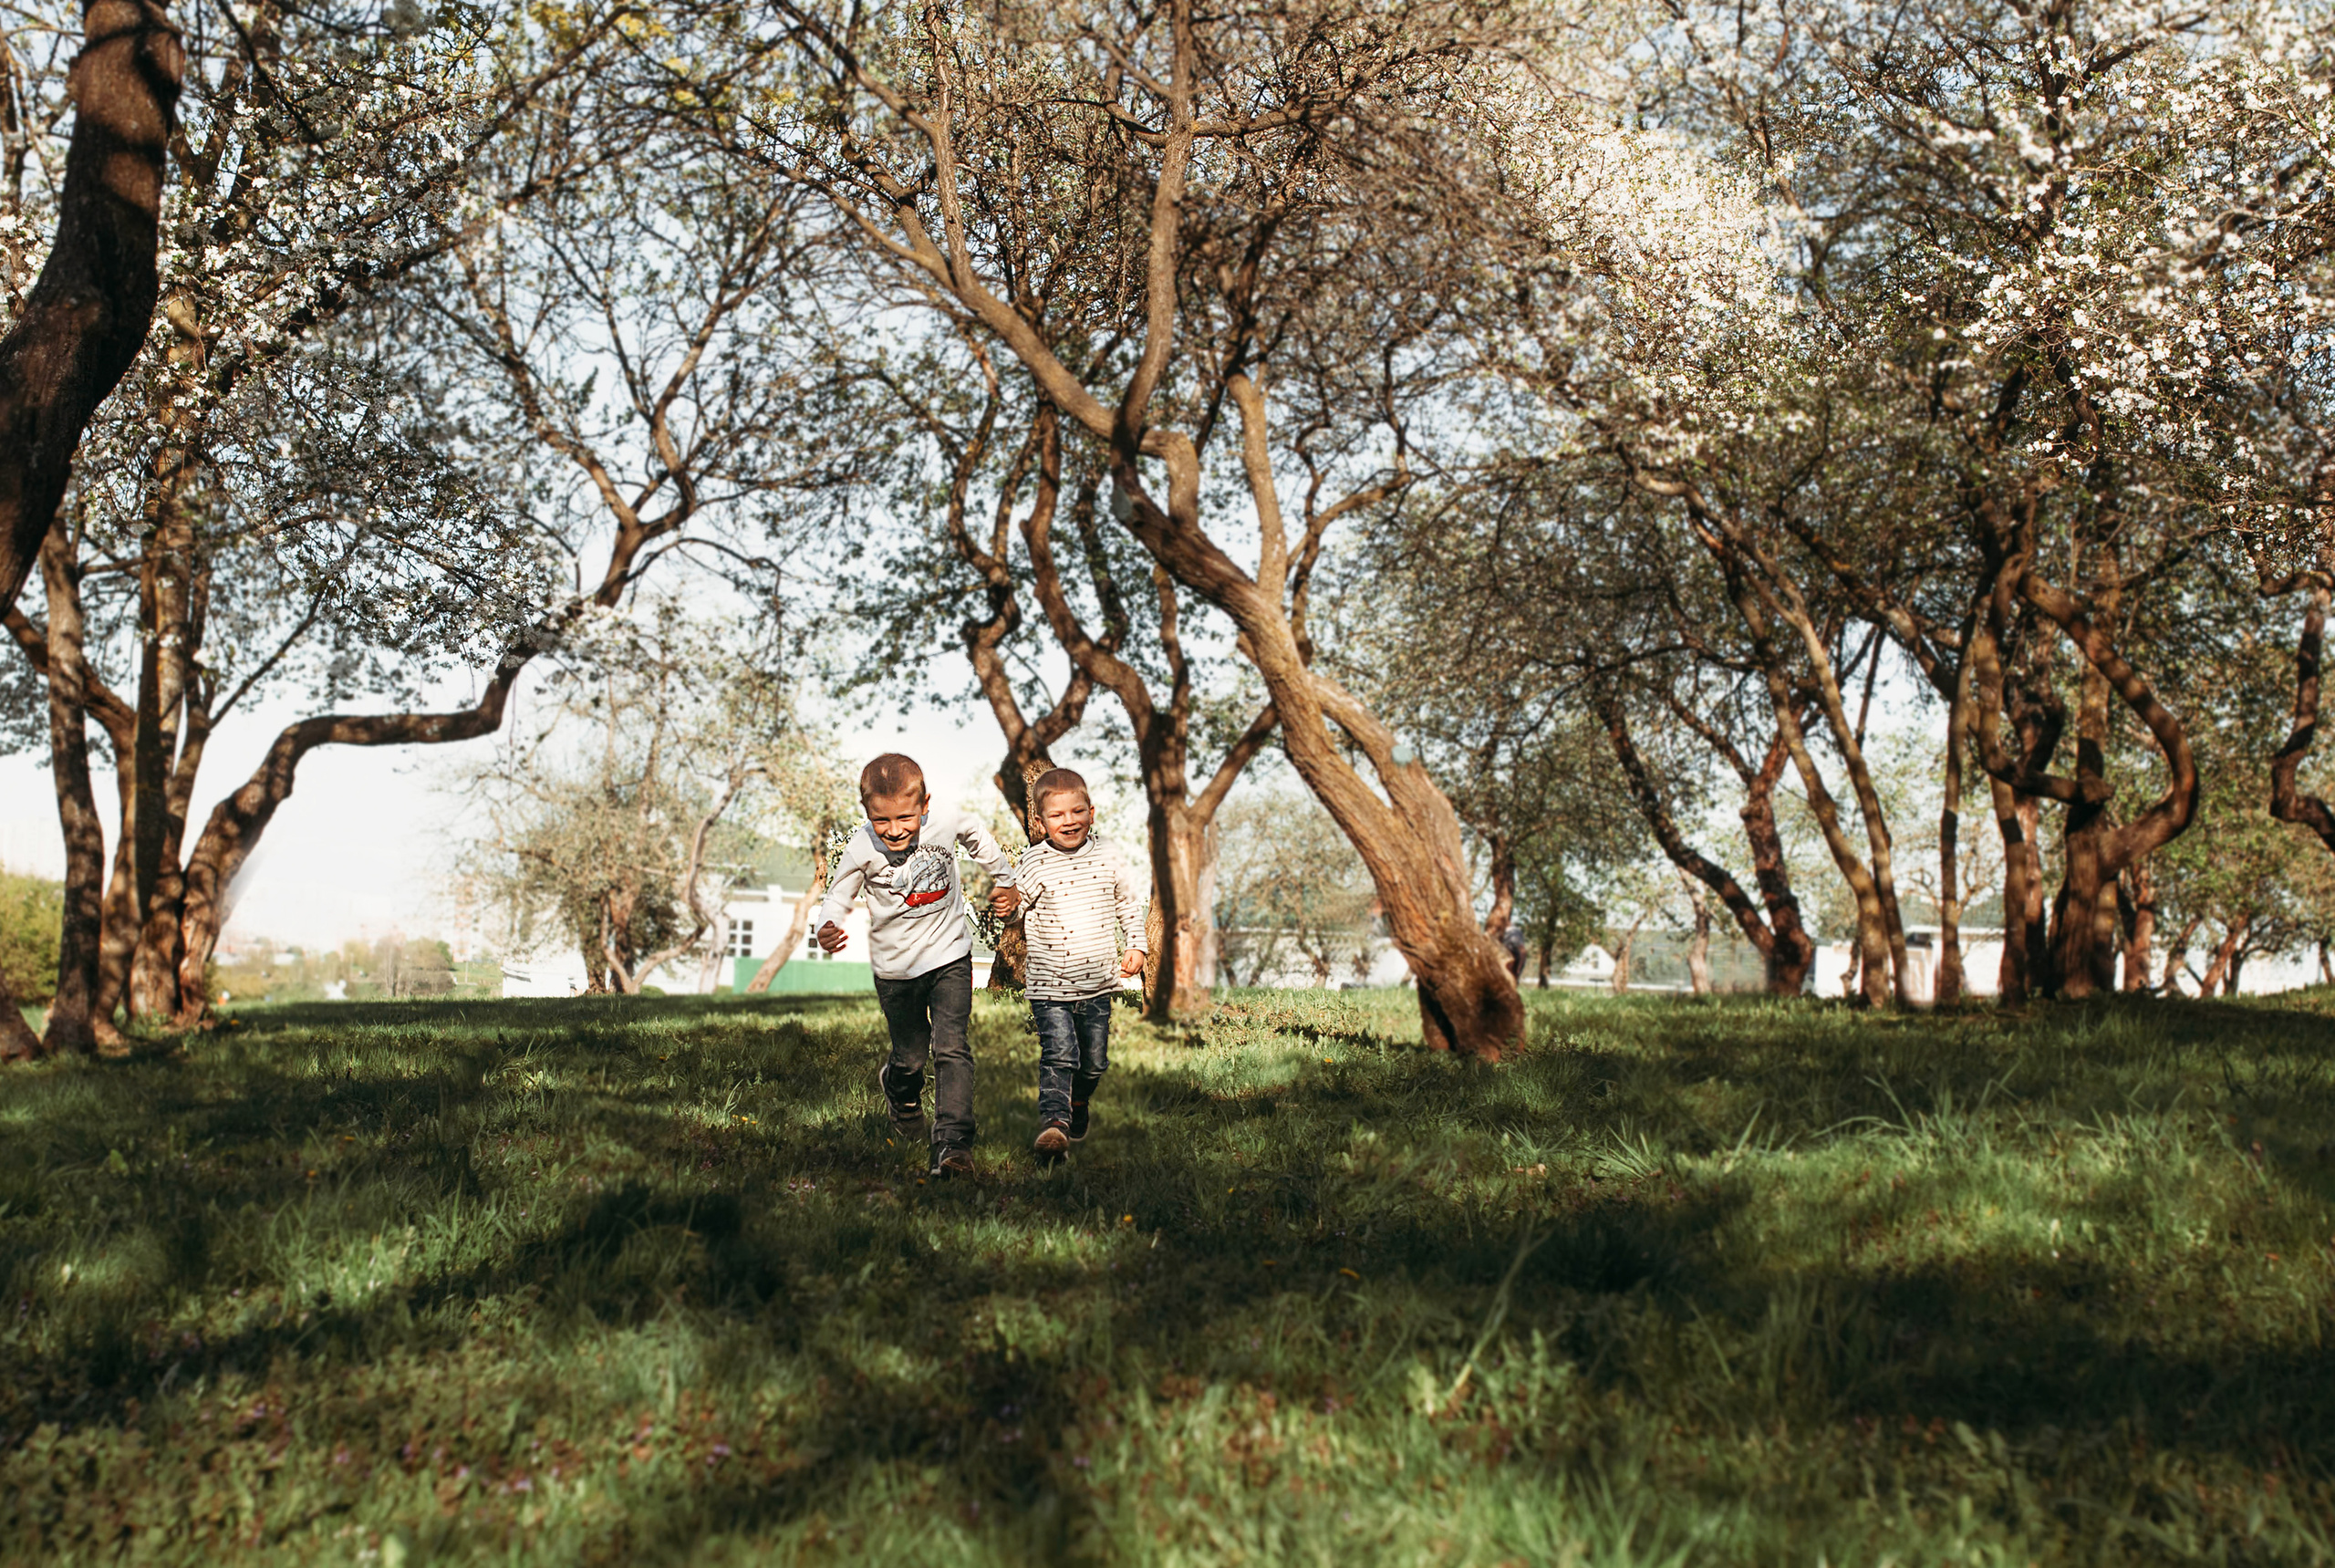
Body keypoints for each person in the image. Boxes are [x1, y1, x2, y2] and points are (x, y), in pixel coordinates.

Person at [815, 753, 1018, 1179]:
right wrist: (827, 925)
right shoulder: (861, 845)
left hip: (949, 957)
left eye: (905, 818)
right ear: (867, 811)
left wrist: (1004, 878)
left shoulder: (946, 819)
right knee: (910, 1056)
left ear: (925, 805)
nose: (893, 830)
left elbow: (977, 834)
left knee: (951, 1046)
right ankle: (900, 1091)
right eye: (881, 820)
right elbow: (837, 895)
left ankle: (953, 1145)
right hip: (895, 971)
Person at [1013, 767, 1147, 1160]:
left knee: (1094, 1063)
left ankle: (1078, 1103)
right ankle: (1055, 1127)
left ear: (1092, 811)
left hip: (1098, 983)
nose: (1068, 821)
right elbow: (1016, 905)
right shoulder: (1034, 862)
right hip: (1050, 985)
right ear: (1040, 822)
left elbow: (1127, 903)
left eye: (1077, 812)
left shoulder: (1109, 854)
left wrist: (1136, 944)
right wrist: (1005, 906)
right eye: (1057, 815)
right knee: (1059, 1055)